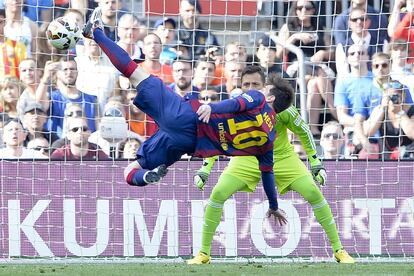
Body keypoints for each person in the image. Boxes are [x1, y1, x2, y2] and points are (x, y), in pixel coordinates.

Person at [82, 7, 294, 222]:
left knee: (134, 73)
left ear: (271, 98)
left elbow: (238, 102)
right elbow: (268, 175)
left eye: (264, 90)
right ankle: (146, 176)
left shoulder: (259, 100)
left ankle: (95, 32)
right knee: (131, 170)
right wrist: (273, 206)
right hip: (188, 144)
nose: (258, 91)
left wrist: (213, 107)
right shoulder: (269, 141)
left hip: (189, 118)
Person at [187, 68, 355, 265]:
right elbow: (218, 139)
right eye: (246, 85)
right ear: (240, 87)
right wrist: (206, 168)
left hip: (282, 158)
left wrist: (315, 163)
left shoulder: (281, 108)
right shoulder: (233, 107)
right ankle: (203, 253)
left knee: (313, 192)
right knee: (218, 193)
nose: (251, 89)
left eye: (256, 85)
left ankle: (339, 250)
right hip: (245, 159)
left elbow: (304, 132)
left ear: (265, 87)